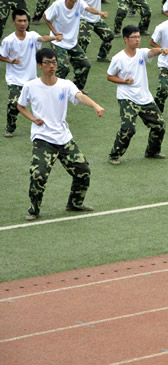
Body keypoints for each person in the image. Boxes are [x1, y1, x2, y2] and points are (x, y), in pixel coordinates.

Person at [17, 48, 104, 221]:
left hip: (64, 138)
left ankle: (75, 203)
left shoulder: (65, 84)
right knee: (38, 174)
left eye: (54, 62)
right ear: (40, 65)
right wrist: (33, 119)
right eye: (48, 62)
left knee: (83, 171)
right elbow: (20, 106)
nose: (52, 66)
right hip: (42, 139)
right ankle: (34, 209)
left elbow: (79, 96)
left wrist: (95, 106)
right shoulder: (31, 86)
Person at [106, 25, 168, 165]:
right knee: (128, 128)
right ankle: (114, 154)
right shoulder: (118, 58)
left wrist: (161, 50)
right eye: (134, 37)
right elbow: (110, 76)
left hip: (144, 97)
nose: (137, 40)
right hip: (127, 98)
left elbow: (151, 52)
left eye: (138, 37)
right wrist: (124, 81)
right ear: (125, 39)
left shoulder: (141, 53)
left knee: (159, 124)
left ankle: (152, 151)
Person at [1, 9, 57, 138]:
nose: (23, 23)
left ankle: (45, 125)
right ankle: (10, 127)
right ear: (14, 22)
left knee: (43, 102)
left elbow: (42, 38)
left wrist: (54, 37)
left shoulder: (32, 35)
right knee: (14, 103)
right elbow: (1, 55)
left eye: (25, 20)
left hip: (31, 79)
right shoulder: (8, 40)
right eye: (20, 21)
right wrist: (10, 61)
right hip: (14, 79)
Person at [43, 0, 108, 91]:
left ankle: (76, 89)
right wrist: (54, 32)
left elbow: (89, 9)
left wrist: (100, 13)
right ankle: (53, 89)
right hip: (58, 43)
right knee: (63, 67)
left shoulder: (79, 3)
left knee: (85, 65)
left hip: (72, 43)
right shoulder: (57, 5)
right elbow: (46, 16)